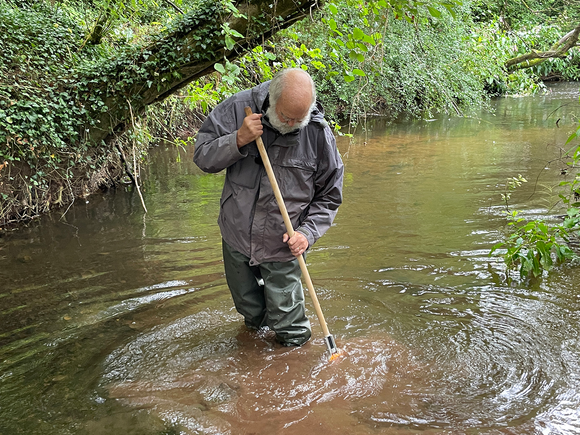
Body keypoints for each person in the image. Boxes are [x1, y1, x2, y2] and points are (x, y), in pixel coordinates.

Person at [194, 68, 344, 346]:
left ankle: (295, 373)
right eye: (286, 117)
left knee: (292, 330)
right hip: (236, 237)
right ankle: (255, 362)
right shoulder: (239, 108)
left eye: (300, 118)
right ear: (272, 100)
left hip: (283, 244)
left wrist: (307, 234)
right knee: (251, 316)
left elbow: (330, 196)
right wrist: (237, 139)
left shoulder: (317, 132)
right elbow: (202, 157)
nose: (293, 124)